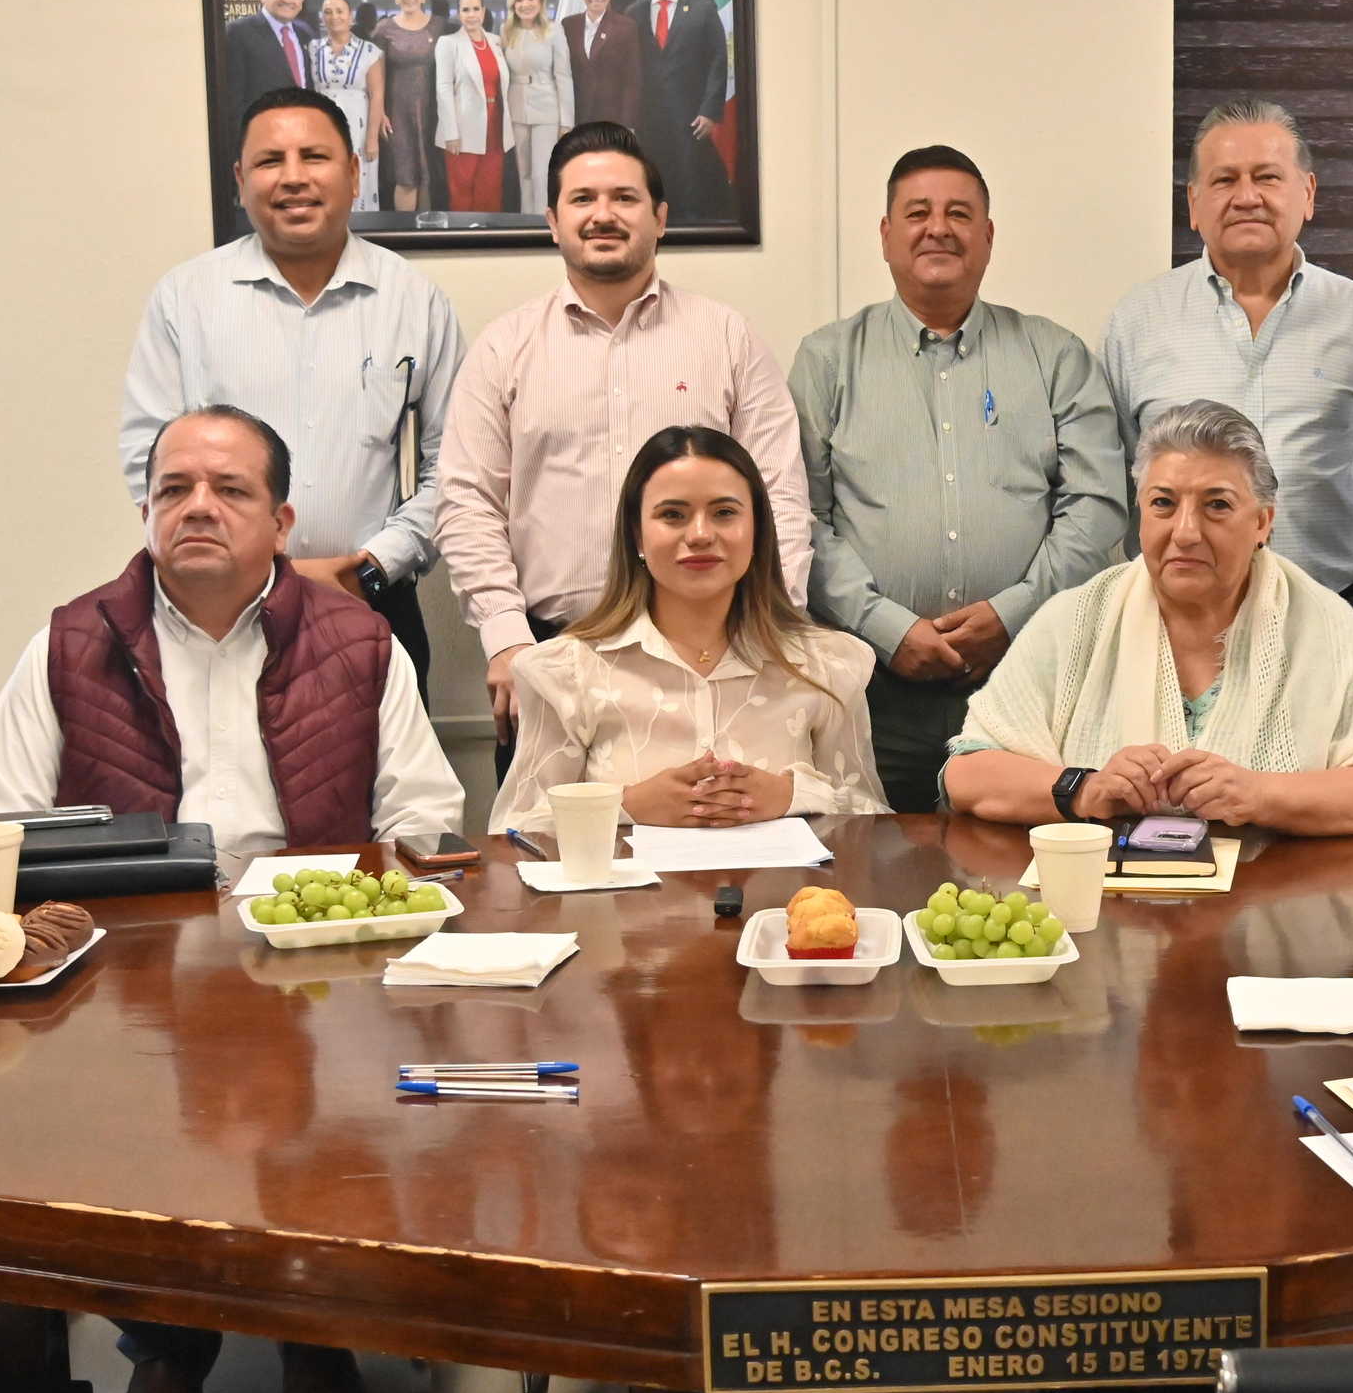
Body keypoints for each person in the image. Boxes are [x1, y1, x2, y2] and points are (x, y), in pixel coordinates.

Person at [0, 406, 465, 1393]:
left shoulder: (357, 639)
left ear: (281, 521)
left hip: (322, 964)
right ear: (146, 508)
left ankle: (314, 1329)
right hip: (133, 973)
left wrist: (344, 903)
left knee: (350, 1103)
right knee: (119, 1123)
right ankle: (165, 1346)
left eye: (230, 489)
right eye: (175, 487)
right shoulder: (71, 640)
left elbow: (423, 816)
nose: (198, 506)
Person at [434, 120, 811, 770]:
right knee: (550, 837)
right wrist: (506, 639)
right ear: (553, 222)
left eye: (624, 198)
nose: (602, 215)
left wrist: (773, 629)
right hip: (550, 658)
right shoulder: (504, 348)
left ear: (659, 218)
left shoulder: (727, 339)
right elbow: (467, 501)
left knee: (721, 835)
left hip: (712, 663)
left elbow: (779, 494)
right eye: (582, 199)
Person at [790, 145, 1126, 807]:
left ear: (988, 236)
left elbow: (1097, 504)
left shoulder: (1054, 355)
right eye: (918, 213)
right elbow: (802, 517)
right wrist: (888, 628)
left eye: (959, 214)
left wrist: (1012, 614)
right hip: (871, 687)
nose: (938, 228)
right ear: (886, 235)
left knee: (1022, 860)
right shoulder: (827, 360)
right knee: (870, 857)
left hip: (1029, 677)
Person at [943, 400, 1353, 833]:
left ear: (1262, 522)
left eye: (1216, 505)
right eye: (1163, 503)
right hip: (1105, 903)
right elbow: (967, 774)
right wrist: (1085, 789)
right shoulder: (1075, 619)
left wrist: (1260, 795)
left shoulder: (1324, 625)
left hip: (1277, 898)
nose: (1185, 532)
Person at [119, 85, 464, 687]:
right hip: (215, 609)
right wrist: (230, 562)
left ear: (354, 173)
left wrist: (372, 568)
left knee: (386, 754)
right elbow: (147, 456)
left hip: (372, 604)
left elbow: (458, 467)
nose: (294, 177)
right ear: (240, 179)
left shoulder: (416, 303)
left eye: (315, 156)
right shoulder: (186, 300)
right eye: (270, 161)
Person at [492, 425, 884, 833]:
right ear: (636, 535)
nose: (700, 535)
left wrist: (792, 796)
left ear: (758, 530)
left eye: (724, 513)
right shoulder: (568, 671)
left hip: (784, 878)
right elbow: (513, 831)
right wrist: (625, 805)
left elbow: (873, 822)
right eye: (673, 515)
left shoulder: (825, 665)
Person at [1102, 99, 1353, 611]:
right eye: (1224, 180)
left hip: (1331, 611)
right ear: (1193, 203)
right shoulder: (1137, 322)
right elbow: (1112, 480)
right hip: (1178, 617)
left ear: (1308, 193)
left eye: (1267, 177)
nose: (1246, 197)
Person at [215, 0, 312, 232]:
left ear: (302, 1)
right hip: (261, 146)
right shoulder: (238, 32)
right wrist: (241, 150)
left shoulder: (305, 34)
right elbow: (233, 99)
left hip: (299, 140)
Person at [636, 0, 731, 222]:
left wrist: (710, 111)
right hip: (649, 117)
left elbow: (718, 60)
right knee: (654, 176)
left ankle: (692, 227)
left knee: (691, 175)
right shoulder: (634, 13)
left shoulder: (703, 8)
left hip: (691, 113)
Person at [369, 0, 444, 214]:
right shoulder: (384, 29)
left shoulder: (439, 26)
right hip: (398, 113)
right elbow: (375, 75)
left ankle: (428, 233)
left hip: (433, 112)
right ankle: (405, 231)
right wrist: (379, 112)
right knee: (406, 176)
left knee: (429, 176)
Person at [306, 0, 385, 213]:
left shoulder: (369, 51)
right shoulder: (313, 48)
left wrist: (372, 138)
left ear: (350, 16)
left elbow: (377, 95)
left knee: (357, 177)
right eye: (328, 12)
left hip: (358, 124)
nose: (334, 17)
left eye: (340, 11)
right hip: (322, 123)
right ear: (322, 17)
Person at [434, 0, 511, 214]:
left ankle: (488, 234)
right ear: (458, 13)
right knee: (462, 189)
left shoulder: (496, 41)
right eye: (465, 10)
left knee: (491, 188)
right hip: (462, 129)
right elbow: (443, 89)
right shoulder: (448, 43)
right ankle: (462, 235)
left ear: (483, 12)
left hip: (496, 127)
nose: (471, 15)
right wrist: (451, 132)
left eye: (476, 9)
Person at [502, 0, 575, 215]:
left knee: (542, 173)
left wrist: (566, 121)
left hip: (547, 109)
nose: (525, 4)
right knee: (523, 173)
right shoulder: (506, 31)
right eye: (519, 0)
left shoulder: (554, 30)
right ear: (513, 5)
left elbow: (563, 76)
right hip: (516, 109)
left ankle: (542, 224)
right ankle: (526, 222)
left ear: (540, 1)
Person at [562, 0, 641, 131]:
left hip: (612, 118)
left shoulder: (626, 26)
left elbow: (631, 80)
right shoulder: (568, 25)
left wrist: (628, 124)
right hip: (577, 117)